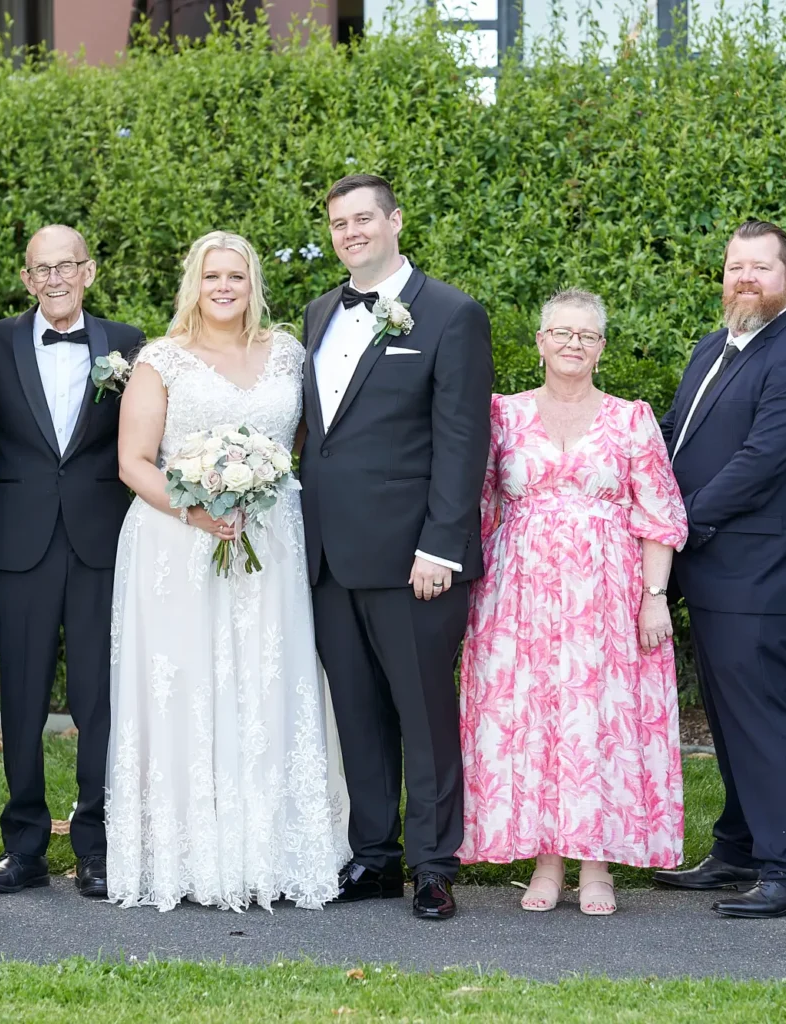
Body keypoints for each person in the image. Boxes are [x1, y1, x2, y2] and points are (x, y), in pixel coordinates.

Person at [104, 231, 349, 912]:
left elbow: (302, 443)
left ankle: (273, 851)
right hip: (177, 547)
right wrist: (199, 511)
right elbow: (133, 462)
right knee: (190, 685)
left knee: (271, 683)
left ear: (252, 282)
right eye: (211, 275)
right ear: (194, 282)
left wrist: (255, 491)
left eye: (235, 276)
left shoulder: (289, 354)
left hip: (271, 540)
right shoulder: (162, 360)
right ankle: (192, 856)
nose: (223, 286)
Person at [457, 290, 688, 916]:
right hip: (519, 594)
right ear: (538, 341)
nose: (572, 344)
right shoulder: (501, 416)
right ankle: (546, 860)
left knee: (599, 721)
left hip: (606, 595)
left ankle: (597, 865)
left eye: (586, 335)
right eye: (560, 332)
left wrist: (653, 597)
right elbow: (476, 505)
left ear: (601, 348)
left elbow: (659, 515)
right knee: (533, 719)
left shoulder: (630, 419)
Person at [300, 174, 494, 920]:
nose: (351, 233)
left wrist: (441, 547)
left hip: (416, 558)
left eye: (363, 220)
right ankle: (374, 857)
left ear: (394, 222)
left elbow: (461, 442)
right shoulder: (319, 311)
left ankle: (434, 865)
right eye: (339, 223)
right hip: (328, 556)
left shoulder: (452, 315)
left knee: (423, 714)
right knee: (357, 713)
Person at [652, 220, 786, 919]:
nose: (746, 278)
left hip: (759, 573)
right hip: (711, 569)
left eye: (762, 267)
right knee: (728, 719)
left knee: (760, 718)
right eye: (736, 267)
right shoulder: (713, 348)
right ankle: (737, 850)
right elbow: (673, 437)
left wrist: (677, 523)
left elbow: (760, 464)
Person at [0, 226, 145, 899]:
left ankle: (95, 847)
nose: (55, 279)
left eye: (66, 266)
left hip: (102, 541)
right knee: (22, 700)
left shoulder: (128, 343)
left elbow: (145, 439)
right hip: (22, 543)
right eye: (42, 269)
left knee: (100, 699)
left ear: (88, 271)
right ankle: (25, 847)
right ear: (26, 278)